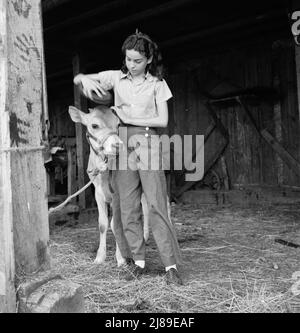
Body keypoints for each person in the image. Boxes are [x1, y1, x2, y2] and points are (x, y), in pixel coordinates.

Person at [73, 30, 183, 285]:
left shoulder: (157, 84)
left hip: (147, 143)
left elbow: (162, 120)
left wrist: (128, 118)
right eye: (128, 59)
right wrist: (82, 80)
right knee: (126, 206)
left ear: (148, 59)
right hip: (122, 146)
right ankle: (138, 262)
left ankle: (171, 266)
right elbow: (82, 77)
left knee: (156, 204)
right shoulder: (116, 78)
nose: (131, 65)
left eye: (137, 61)